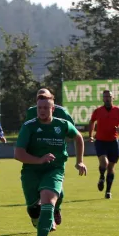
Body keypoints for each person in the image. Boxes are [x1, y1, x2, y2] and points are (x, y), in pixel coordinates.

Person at [15, 93, 87, 236]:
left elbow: (78, 137)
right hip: (31, 172)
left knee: (47, 200)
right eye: (40, 108)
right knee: (33, 208)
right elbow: (18, 154)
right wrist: (39, 160)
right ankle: (50, 205)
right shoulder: (29, 126)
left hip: (54, 169)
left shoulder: (62, 125)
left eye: (46, 108)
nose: (42, 111)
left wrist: (80, 161)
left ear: (53, 109)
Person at [26, 88, 74, 227]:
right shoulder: (31, 111)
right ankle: (44, 216)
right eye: (38, 99)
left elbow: (72, 132)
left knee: (57, 189)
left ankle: (56, 209)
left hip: (57, 157)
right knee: (39, 188)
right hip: (37, 156)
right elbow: (28, 129)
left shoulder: (62, 112)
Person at [88, 90, 119, 199]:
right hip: (101, 141)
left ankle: (108, 191)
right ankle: (101, 177)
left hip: (113, 142)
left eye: (109, 96)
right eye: (105, 97)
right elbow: (92, 122)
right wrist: (91, 135)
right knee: (104, 162)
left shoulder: (118, 111)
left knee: (111, 168)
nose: (107, 98)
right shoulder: (98, 111)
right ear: (102, 99)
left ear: (113, 98)